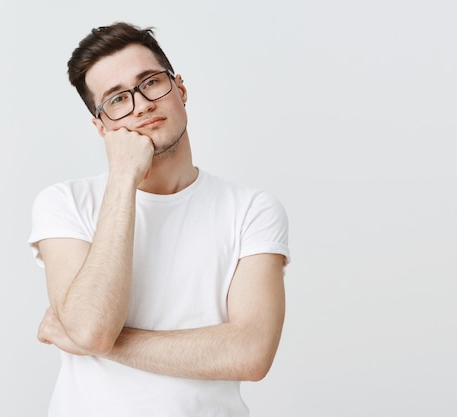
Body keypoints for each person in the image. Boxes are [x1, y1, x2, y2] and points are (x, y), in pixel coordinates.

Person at [28, 21, 290, 417]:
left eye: (150, 82)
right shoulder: (65, 203)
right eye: (117, 100)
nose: (142, 104)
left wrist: (97, 342)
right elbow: (94, 327)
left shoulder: (251, 209)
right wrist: (123, 178)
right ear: (102, 127)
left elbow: (251, 354)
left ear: (179, 89)